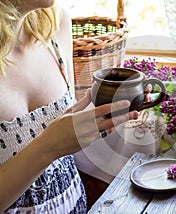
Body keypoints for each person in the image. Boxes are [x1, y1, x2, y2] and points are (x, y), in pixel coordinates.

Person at [0, 0, 138, 213]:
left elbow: (64, 136)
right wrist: (48, 146)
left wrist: (106, 114)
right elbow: (52, 143)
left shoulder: (55, 24)